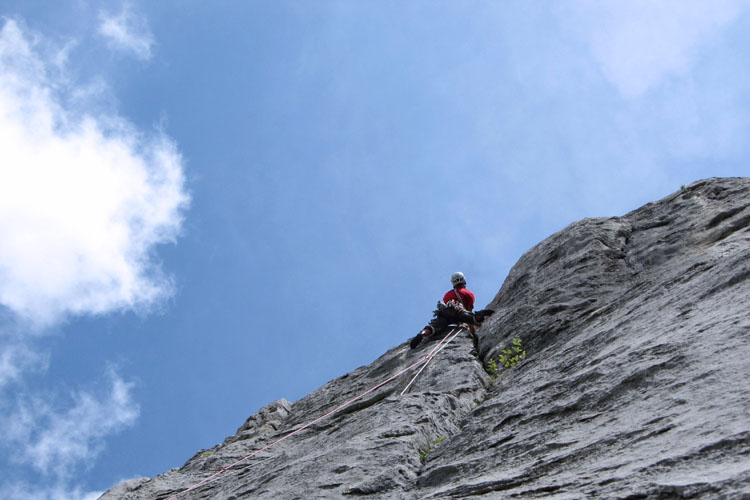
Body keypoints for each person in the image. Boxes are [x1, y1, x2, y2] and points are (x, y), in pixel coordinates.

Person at [409, 272, 493, 349]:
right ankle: (480, 315)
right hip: (457, 311)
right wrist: (473, 333)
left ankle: (423, 333)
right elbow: (468, 311)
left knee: (435, 327)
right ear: (464, 280)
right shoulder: (468, 293)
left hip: (444, 312)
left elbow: (447, 307)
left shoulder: (447, 294)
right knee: (474, 319)